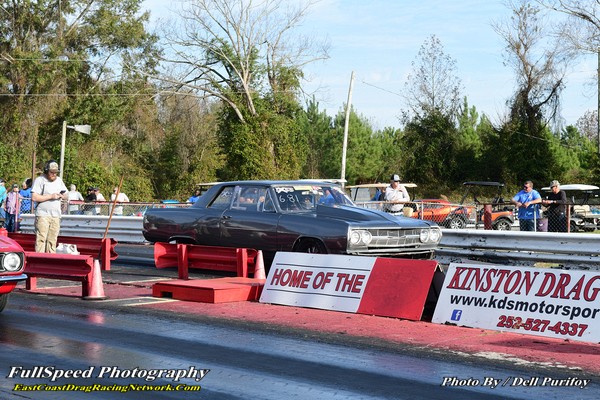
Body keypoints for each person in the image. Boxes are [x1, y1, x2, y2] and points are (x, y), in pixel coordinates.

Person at [31, 160, 68, 253]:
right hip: (43, 214)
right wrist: (51, 196)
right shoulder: (40, 180)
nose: (54, 174)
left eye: (56, 172)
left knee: (52, 240)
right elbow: (34, 197)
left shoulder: (59, 180)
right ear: (46, 171)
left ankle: (51, 258)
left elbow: (66, 194)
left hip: (56, 215)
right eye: (52, 172)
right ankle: (39, 258)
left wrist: (63, 196)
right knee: (41, 239)